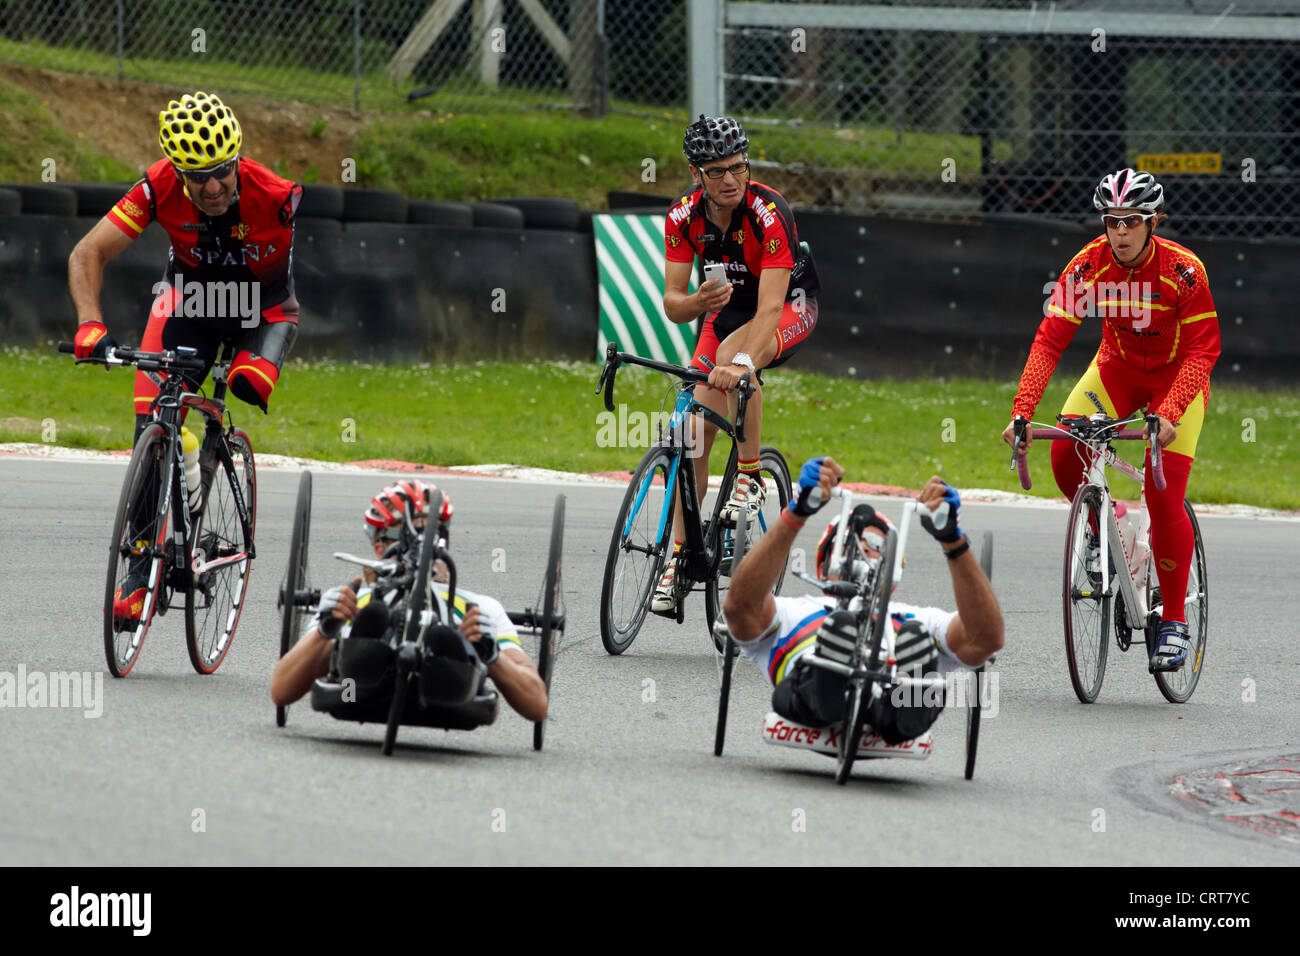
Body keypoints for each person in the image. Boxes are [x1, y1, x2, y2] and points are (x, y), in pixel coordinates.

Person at [68, 90, 303, 621]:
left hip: (259, 312)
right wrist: (89, 322)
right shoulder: (157, 186)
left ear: (237, 159)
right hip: (189, 301)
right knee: (151, 412)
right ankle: (137, 571)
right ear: (178, 171)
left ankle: (210, 477)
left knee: (245, 381)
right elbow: (89, 251)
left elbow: (272, 290)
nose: (212, 186)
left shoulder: (276, 194)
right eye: (197, 177)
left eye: (222, 171)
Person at [1001, 168, 1220, 673]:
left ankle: (1172, 621)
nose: (1119, 232)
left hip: (1176, 380)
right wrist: (1023, 409)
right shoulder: (1087, 267)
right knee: (1065, 449)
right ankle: (1108, 525)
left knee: (1164, 497)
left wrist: (1168, 411)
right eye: (1110, 221)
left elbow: (1205, 349)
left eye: (1130, 221)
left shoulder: (1184, 271)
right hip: (1115, 371)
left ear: (1152, 221)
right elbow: (1051, 339)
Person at [654, 114, 822, 614]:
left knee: (732, 365)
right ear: (694, 173)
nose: (730, 180)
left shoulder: (769, 212)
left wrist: (745, 359)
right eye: (716, 171)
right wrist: (699, 301)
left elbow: (770, 309)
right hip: (725, 312)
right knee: (691, 430)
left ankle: (750, 476)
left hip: (789, 304)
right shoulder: (683, 217)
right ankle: (681, 556)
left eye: (738, 167)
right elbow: (673, 303)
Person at [722, 457, 1003, 744]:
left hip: (895, 707)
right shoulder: (796, 610)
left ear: (893, 567)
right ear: (823, 563)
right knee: (839, 627)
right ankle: (830, 674)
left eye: (878, 547)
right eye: (850, 541)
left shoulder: (915, 620)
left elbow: (983, 640)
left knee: (916, 638)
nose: (865, 549)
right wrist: (797, 513)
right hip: (809, 696)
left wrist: (952, 540)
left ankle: (904, 703)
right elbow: (740, 608)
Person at [270, 480, 548, 724]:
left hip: (449, 693)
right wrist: (325, 630)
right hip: (354, 691)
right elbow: (281, 691)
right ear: (379, 546)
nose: (420, 550)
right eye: (400, 536)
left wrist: (492, 655)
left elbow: (537, 705)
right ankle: (367, 645)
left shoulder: (479, 608)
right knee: (370, 616)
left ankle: (450, 648)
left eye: (433, 537)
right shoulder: (351, 602)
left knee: (448, 636)